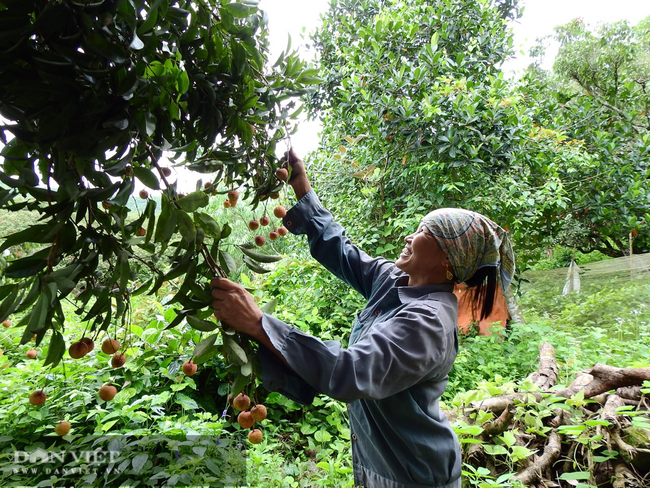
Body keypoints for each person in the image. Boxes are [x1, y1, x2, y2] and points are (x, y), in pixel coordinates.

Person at [210, 148, 515, 488]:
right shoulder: (396, 282)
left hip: (413, 476)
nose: (408, 236)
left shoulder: (428, 323)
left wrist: (257, 322)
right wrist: (301, 186)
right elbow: (341, 250)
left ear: (448, 261)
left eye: (423, 232)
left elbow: (350, 373)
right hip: (382, 465)